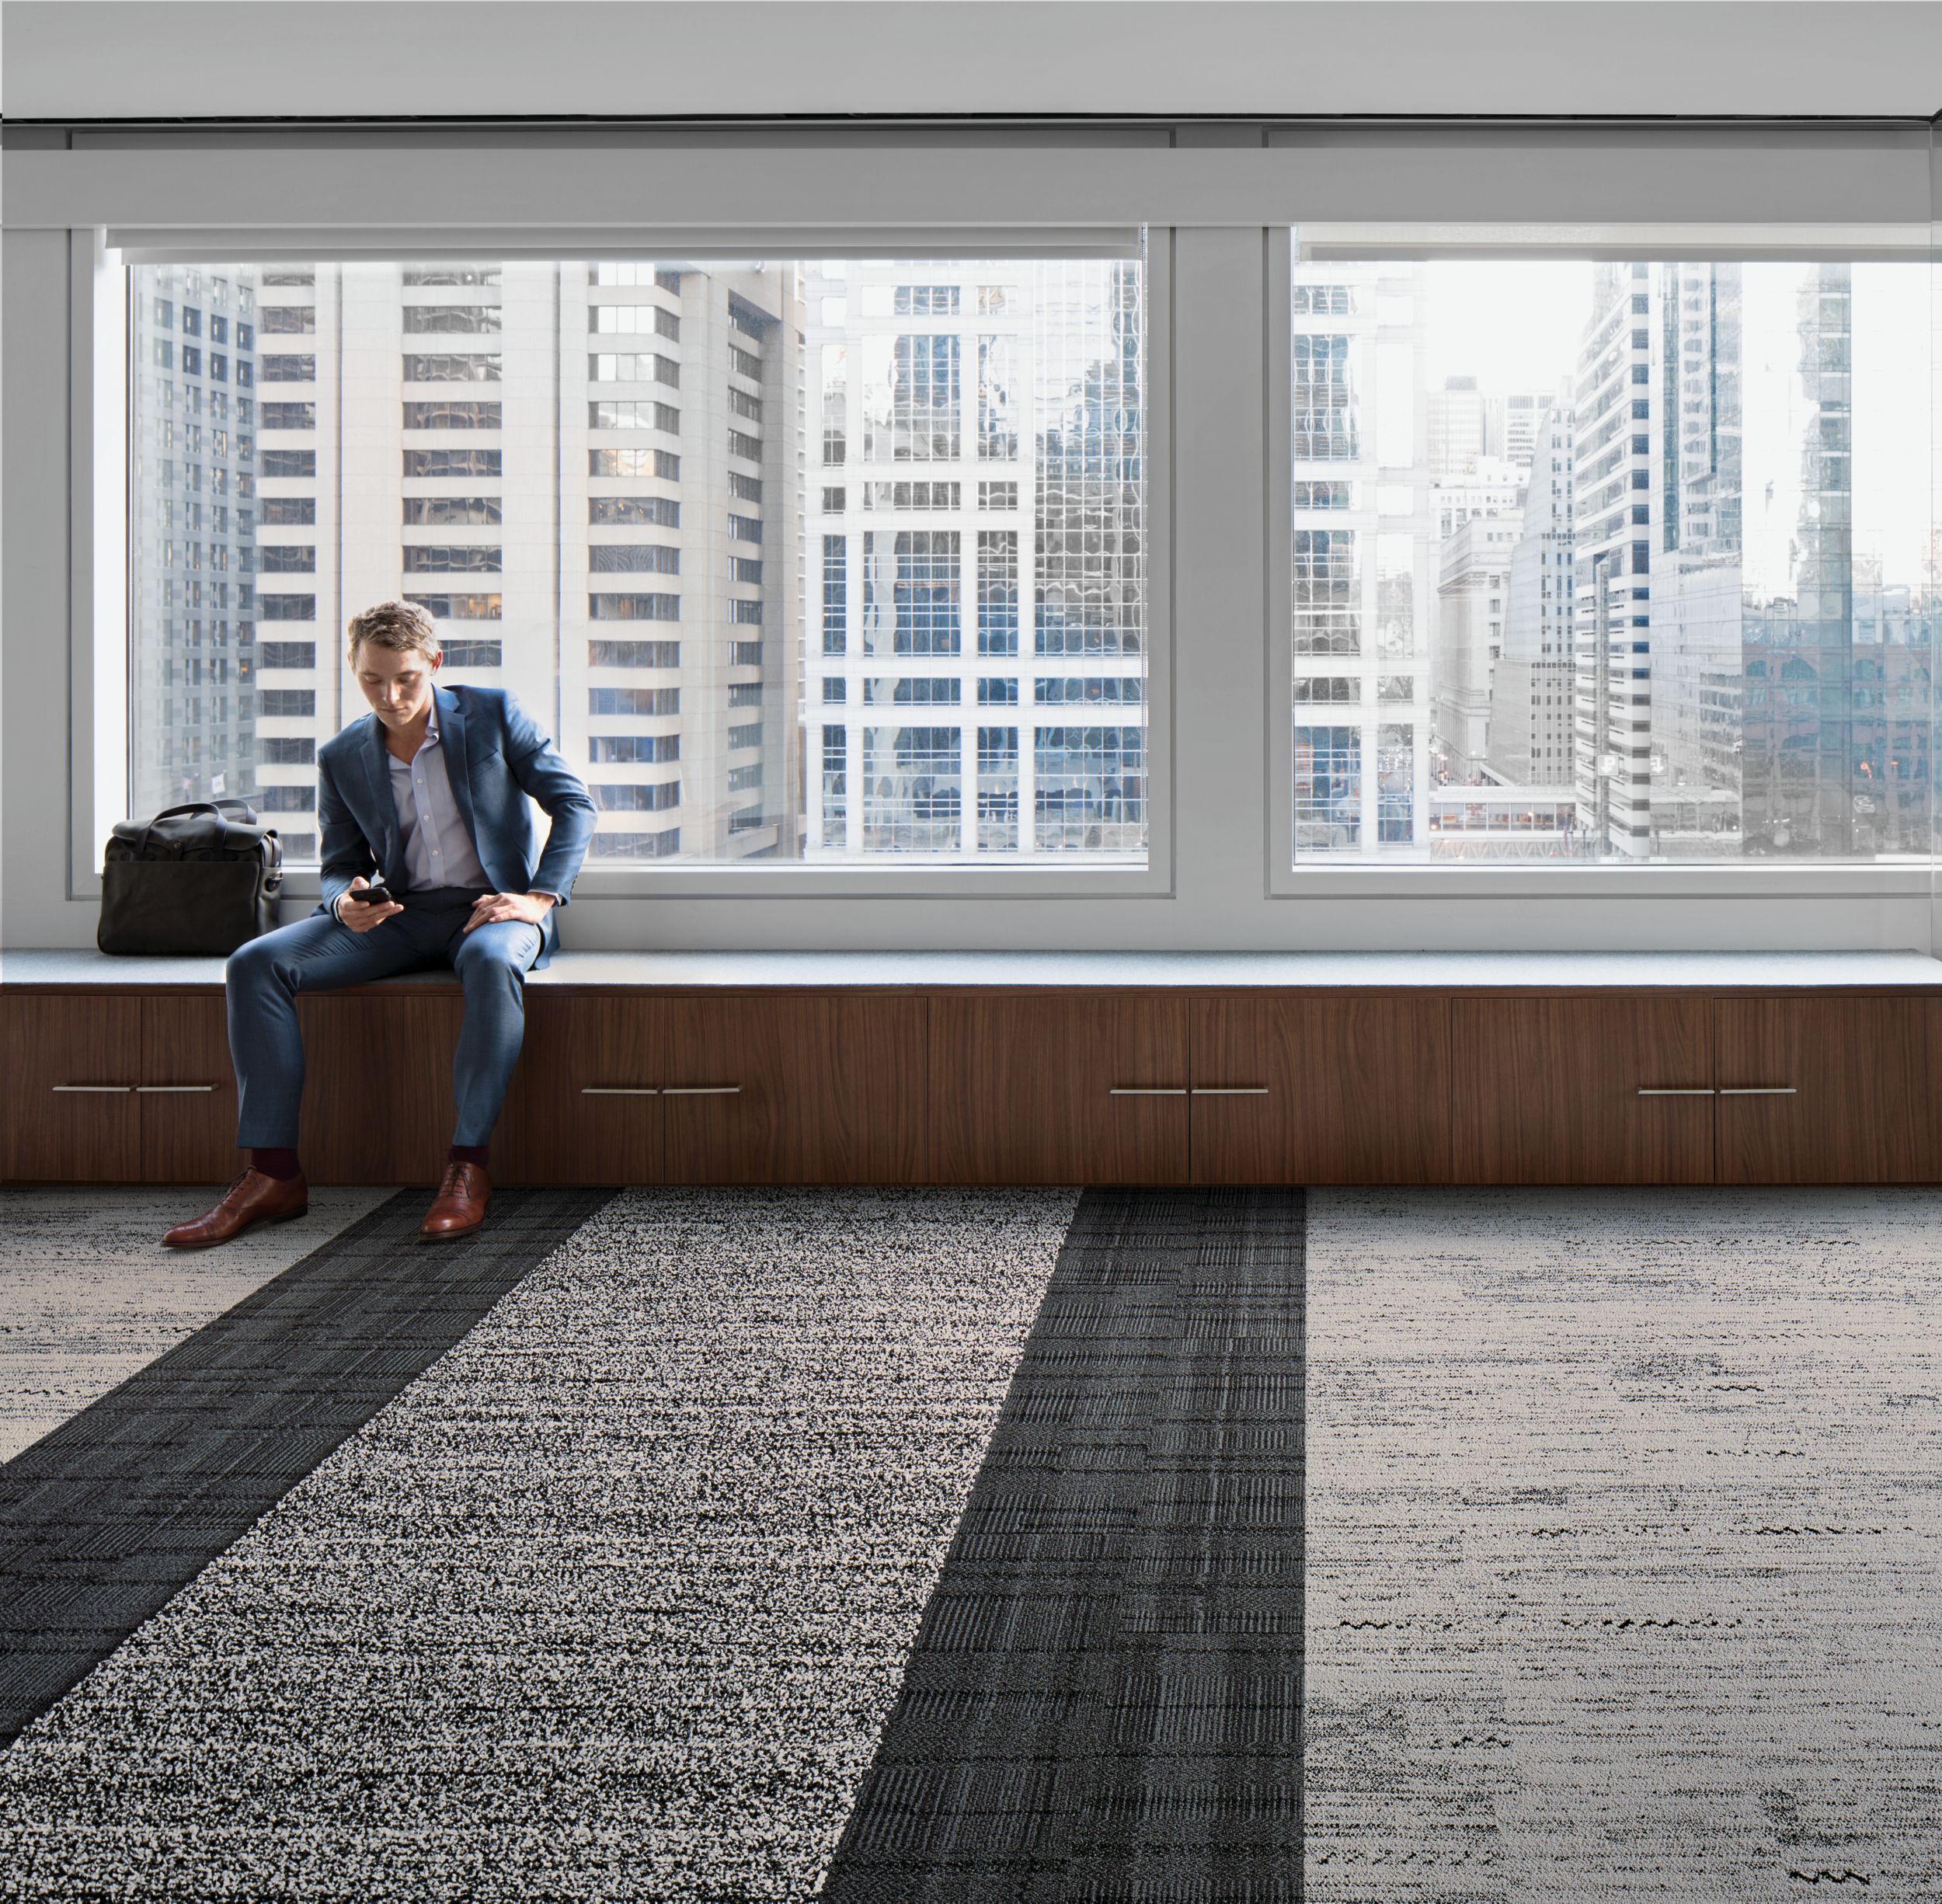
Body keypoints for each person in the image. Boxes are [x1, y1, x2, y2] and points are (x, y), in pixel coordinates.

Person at [163, 600, 595, 1248]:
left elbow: (574, 803)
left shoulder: (494, 714)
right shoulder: (341, 755)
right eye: (372, 680)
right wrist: (344, 901)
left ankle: (467, 1167)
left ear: (434, 665)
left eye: (406, 679)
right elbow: (340, 864)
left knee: (490, 960)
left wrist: (538, 897)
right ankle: (273, 1174)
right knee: (255, 962)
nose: (389, 696)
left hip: (492, 910)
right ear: (353, 668)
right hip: (400, 916)